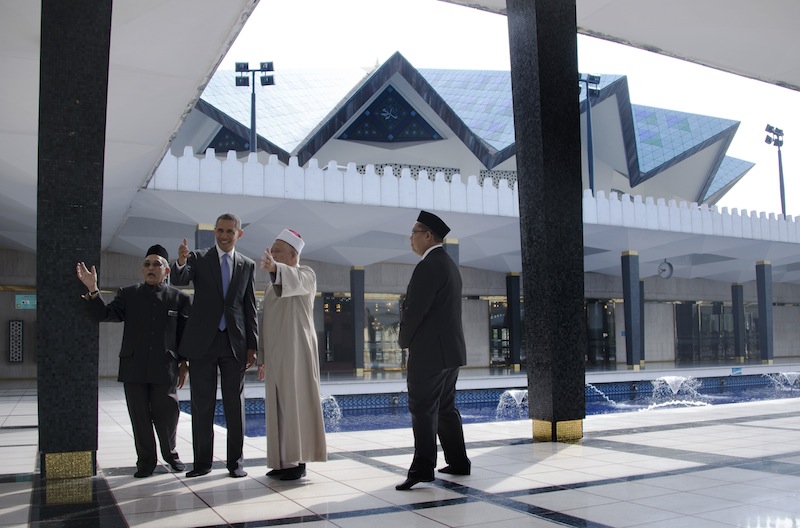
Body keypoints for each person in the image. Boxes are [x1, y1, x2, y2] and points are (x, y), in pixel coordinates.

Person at [76, 244, 191, 478]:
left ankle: (171, 455)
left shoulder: (179, 298)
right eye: (147, 264)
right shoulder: (128, 294)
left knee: (168, 413)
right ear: (142, 270)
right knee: (139, 417)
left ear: (167, 271)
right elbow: (105, 314)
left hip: (165, 366)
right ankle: (146, 462)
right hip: (134, 366)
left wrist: (184, 363)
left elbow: (185, 334)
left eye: (156, 264)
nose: (151, 268)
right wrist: (93, 289)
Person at [171, 213, 258, 478]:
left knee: (235, 405)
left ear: (239, 234)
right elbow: (179, 278)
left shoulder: (247, 265)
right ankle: (202, 464)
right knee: (202, 404)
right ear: (214, 232)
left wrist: (252, 346)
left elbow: (250, 307)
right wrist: (181, 261)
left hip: (234, 344)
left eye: (230, 231)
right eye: (220, 230)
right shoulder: (198, 258)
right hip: (202, 344)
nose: (224, 235)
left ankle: (236, 464)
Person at [395, 210, 471, 490]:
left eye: (414, 233)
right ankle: (459, 461)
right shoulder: (448, 264)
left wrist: (403, 341)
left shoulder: (429, 265)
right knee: (445, 407)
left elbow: (415, 312)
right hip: (449, 351)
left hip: (430, 353)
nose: (410, 239)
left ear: (428, 236)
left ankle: (423, 468)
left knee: (423, 408)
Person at [257, 229, 327, 480]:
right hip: (276, 355)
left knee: (294, 404)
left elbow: (293, 280)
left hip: (297, 351)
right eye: (272, 249)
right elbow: (265, 323)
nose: (272, 253)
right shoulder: (270, 285)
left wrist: (275, 268)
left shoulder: (306, 275)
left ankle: (298, 461)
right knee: (277, 407)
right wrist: (262, 357)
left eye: (277, 250)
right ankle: (280, 462)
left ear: (293, 254)